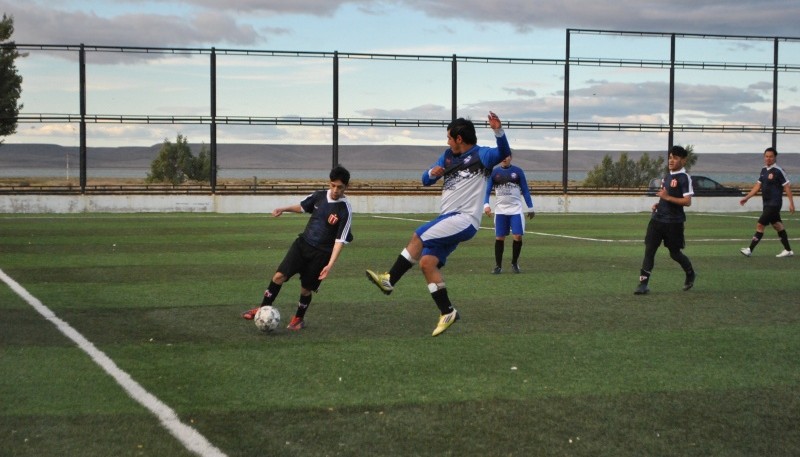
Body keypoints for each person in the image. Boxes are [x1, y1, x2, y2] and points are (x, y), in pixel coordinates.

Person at [365, 111, 511, 336]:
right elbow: (425, 180)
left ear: (459, 139)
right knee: (427, 263)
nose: (447, 141)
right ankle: (447, 312)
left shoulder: (482, 156)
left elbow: (504, 153)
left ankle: (390, 279)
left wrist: (498, 131)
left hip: (464, 219)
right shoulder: (447, 156)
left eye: (449, 138)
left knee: (418, 235)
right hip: (448, 219)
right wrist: (431, 173)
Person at [241, 166, 354, 330]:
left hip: (322, 254)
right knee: (278, 276)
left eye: (340, 187)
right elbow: (302, 207)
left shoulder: (345, 209)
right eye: (333, 185)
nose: (335, 190)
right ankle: (262, 308)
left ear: (346, 187)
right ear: (329, 183)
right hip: (302, 245)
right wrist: (283, 209)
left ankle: (298, 319)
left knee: (306, 289)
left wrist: (330, 264)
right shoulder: (319, 196)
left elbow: (340, 240)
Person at [634, 145, 696, 295]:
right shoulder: (667, 176)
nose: (671, 160)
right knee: (649, 251)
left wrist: (667, 198)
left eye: (675, 158)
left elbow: (687, 201)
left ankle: (690, 273)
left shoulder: (684, 177)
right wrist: (659, 204)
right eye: (670, 157)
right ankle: (643, 284)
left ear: (683, 160)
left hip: (673, 223)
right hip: (657, 220)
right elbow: (665, 198)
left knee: (674, 253)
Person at [483, 153, 535, 274]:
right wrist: (486, 205)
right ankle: (498, 266)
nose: (504, 158)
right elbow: (486, 191)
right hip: (500, 211)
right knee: (499, 237)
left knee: (517, 236)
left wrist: (531, 207)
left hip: (515, 210)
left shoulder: (518, 171)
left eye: (507, 156)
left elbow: (525, 190)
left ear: (511, 157)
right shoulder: (494, 172)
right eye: (502, 156)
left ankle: (514, 263)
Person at [739, 147, 795, 257]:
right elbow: (757, 186)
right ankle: (788, 250)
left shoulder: (779, 171)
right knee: (778, 226)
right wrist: (747, 197)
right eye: (766, 156)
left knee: (760, 224)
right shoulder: (764, 170)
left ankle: (749, 250)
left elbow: (787, 187)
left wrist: (791, 203)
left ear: (775, 158)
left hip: (774, 204)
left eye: (771, 156)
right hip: (766, 204)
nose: (768, 158)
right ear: (764, 157)